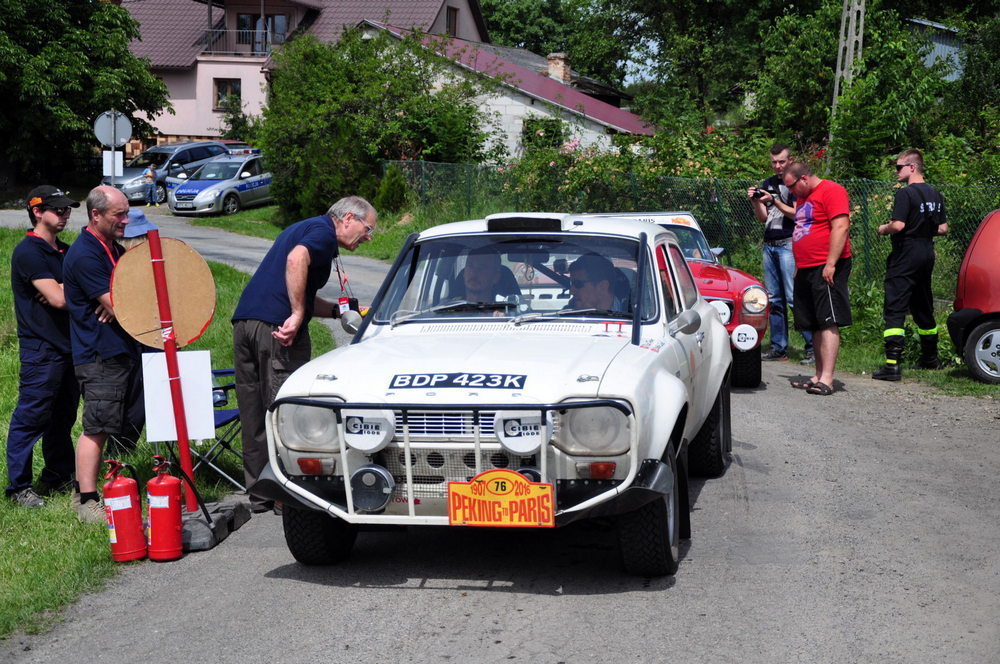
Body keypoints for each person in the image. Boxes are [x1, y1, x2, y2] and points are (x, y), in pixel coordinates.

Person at [232, 196, 377, 513]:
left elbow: (303, 293)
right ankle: (289, 496)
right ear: (349, 218)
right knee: (285, 411)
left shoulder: (307, 227)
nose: (368, 237)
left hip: (246, 323)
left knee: (255, 412)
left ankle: (261, 493)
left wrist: (346, 311)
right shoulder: (324, 234)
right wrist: (297, 315)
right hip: (277, 332)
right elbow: (296, 262)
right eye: (368, 229)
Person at [63, 186, 143, 522]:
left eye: (127, 213)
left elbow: (136, 290)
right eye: (119, 215)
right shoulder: (85, 254)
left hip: (121, 349)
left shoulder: (113, 249)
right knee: (97, 425)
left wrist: (119, 300)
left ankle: (109, 482)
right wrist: (116, 302)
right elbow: (121, 302)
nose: (126, 220)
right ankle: (86, 499)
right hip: (99, 356)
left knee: (122, 422)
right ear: (96, 215)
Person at [4, 186, 81, 508]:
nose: (65, 215)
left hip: (69, 347)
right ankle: (18, 487)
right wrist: (70, 290)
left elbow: (73, 291)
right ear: (37, 211)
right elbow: (61, 299)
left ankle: (58, 474)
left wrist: (69, 289)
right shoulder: (29, 252)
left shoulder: (64, 252)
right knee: (31, 418)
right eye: (58, 210)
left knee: (63, 418)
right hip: (41, 350)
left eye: (67, 210)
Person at [873, 149, 948, 381]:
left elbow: (898, 225)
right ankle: (930, 358)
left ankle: (892, 365)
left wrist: (883, 228)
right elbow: (943, 229)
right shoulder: (935, 193)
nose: (896, 171)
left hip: (906, 253)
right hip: (926, 252)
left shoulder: (906, 194)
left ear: (912, 167)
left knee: (895, 306)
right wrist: (923, 229)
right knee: (922, 303)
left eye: (899, 167)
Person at [782, 162, 853, 396]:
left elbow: (841, 226)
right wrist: (799, 266)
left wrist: (831, 263)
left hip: (826, 266)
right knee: (812, 322)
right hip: (806, 267)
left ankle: (828, 378)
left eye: (791, 187)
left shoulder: (831, 190)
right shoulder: (803, 197)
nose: (791, 192)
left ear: (803, 178)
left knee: (827, 320)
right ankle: (818, 373)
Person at [748, 143, 814, 364]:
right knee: (774, 300)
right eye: (774, 162)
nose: (777, 166)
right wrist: (757, 201)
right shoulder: (768, 183)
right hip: (770, 244)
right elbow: (762, 217)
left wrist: (774, 199)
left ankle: (813, 346)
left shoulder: (795, 184)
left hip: (788, 244)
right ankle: (779, 347)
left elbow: (797, 214)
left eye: (781, 162)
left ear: (790, 160)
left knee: (794, 297)